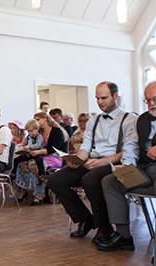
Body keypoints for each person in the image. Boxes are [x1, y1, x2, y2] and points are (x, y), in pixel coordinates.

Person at [47, 81, 137, 245]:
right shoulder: (93, 121)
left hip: (114, 163)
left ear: (115, 96)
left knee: (90, 179)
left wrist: (102, 162)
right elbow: (86, 146)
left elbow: (129, 150)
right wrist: (78, 159)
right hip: (93, 160)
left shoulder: (130, 119)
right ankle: (85, 219)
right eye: (97, 98)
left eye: (104, 98)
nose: (100, 102)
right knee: (55, 180)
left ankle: (104, 227)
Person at [97, 82, 156, 251]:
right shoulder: (142, 120)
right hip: (144, 169)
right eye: (148, 100)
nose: (151, 103)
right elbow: (131, 145)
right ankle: (123, 236)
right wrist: (127, 165)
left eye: (155, 99)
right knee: (110, 181)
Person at [15, 112, 69, 205]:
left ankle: (38, 194)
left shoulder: (56, 131)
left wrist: (38, 152)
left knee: (33, 165)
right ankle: (23, 189)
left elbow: (53, 148)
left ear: (45, 119)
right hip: (40, 155)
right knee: (21, 164)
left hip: (55, 157)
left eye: (38, 119)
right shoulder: (38, 132)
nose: (36, 121)